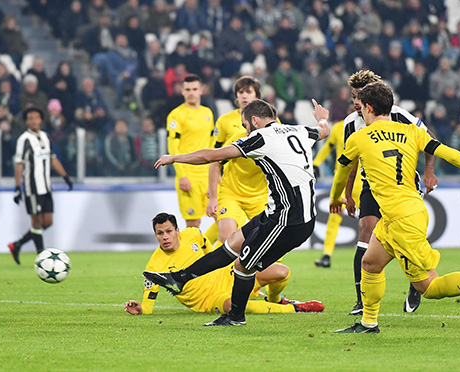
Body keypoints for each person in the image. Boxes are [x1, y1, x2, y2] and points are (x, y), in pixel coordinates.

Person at [330, 82, 460, 333]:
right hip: (403, 212)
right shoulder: (410, 132)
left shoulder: (360, 137)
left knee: (430, 287)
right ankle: (368, 323)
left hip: (402, 219)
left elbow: (342, 172)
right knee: (370, 263)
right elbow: (446, 151)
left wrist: (336, 197)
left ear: (368, 107)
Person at [145, 99, 331, 326]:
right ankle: (180, 278)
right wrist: (322, 117)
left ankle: (236, 317)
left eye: (245, 125)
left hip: (289, 221)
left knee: (243, 265)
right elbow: (324, 130)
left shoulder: (260, 138)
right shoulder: (298, 130)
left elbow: (211, 156)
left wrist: (175, 158)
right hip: (278, 212)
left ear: (254, 120)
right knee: (233, 242)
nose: (245, 130)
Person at [335, 70, 438, 316]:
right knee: (366, 230)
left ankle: (416, 284)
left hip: (403, 186)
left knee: (407, 240)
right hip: (371, 185)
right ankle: (361, 300)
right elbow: (349, 163)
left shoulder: (399, 116)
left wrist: (429, 173)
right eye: (353, 96)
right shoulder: (351, 123)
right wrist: (348, 195)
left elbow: (430, 140)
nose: (356, 102)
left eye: (360, 96)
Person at [124, 213, 324, 315]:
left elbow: (212, 255)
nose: (165, 237)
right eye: (160, 233)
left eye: (168, 231)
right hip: (211, 299)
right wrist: (140, 309)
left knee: (282, 272)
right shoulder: (154, 266)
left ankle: (276, 300)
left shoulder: (193, 234)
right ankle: (295, 309)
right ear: (155, 235)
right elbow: (148, 305)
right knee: (235, 306)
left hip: (227, 274)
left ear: (177, 230)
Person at [206, 76, 268, 252]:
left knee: (264, 240)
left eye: (248, 92)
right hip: (231, 185)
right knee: (227, 235)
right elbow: (214, 156)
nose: (244, 96)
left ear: (257, 95)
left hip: (259, 190)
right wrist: (212, 193)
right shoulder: (225, 121)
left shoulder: (271, 120)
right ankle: (201, 255)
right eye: (240, 92)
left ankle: (201, 247)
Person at [8, 107, 73, 264]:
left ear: (41, 120)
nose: (34, 121)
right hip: (32, 188)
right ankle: (43, 259)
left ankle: (17, 245)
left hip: (46, 187)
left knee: (48, 222)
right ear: (26, 121)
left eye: (36, 118)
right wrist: (18, 188)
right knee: (36, 223)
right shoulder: (24, 140)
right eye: (30, 118)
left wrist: (65, 177)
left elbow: (53, 159)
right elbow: (19, 165)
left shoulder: (46, 137)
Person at [166, 74, 215, 229]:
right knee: (193, 224)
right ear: (182, 91)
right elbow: (173, 146)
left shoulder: (208, 113)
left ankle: (210, 251)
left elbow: (213, 145)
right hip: (189, 175)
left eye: (195, 89)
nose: (191, 92)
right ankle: (195, 253)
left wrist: (216, 172)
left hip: (207, 176)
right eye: (188, 89)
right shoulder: (176, 115)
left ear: (202, 90)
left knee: (222, 217)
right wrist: (181, 175)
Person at [312, 119, 362, 268]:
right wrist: (315, 163)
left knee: (337, 218)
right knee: (369, 219)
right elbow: (328, 147)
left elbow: (328, 147)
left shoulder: (341, 127)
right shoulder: (366, 126)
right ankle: (327, 255)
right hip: (353, 180)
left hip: (353, 180)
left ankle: (327, 254)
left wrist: (316, 163)